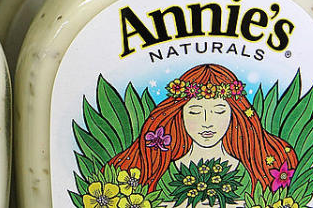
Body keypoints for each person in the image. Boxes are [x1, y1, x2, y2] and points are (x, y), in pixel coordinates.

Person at [109, 64, 297, 194]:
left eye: (219, 111)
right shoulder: (163, 174)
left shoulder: (249, 174)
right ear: (179, 114)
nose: (207, 122)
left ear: (234, 114)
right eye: (195, 111)